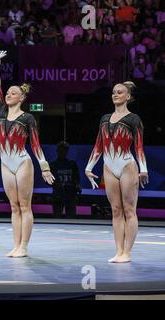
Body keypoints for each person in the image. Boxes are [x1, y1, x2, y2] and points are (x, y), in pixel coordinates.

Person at [0, 51, 55, 258]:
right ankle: (16, 245)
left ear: (22, 97)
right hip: (5, 163)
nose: (8, 94)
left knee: (25, 205)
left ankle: (24, 246)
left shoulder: (28, 118)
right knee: (13, 206)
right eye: (8, 92)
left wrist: (44, 167)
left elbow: (35, 144)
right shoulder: (0, 111)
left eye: (13, 93)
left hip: (22, 162)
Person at [85, 81, 148, 263]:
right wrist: (89, 168)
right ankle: (119, 250)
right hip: (109, 167)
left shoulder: (133, 119)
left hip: (127, 165)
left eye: (120, 92)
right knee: (115, 210)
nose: (115, 94)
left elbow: (139, 147)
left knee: (129, 210)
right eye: (113, 92)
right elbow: (98, 145)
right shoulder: (104, 119)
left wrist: (143, 169)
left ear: (128, 96)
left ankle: (127, 252)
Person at [50, 141, 81, 218]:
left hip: (70, 194)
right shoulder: (53, 165)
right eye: (60, 150)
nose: (62, 152)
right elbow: (48, 181)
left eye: (64, 150)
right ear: (57, 151)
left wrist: (76, 186)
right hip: (58, 194)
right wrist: (57, 185)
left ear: (67, 151)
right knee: (56, 218)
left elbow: (77, 178)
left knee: (71, 218)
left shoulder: (72, 164)